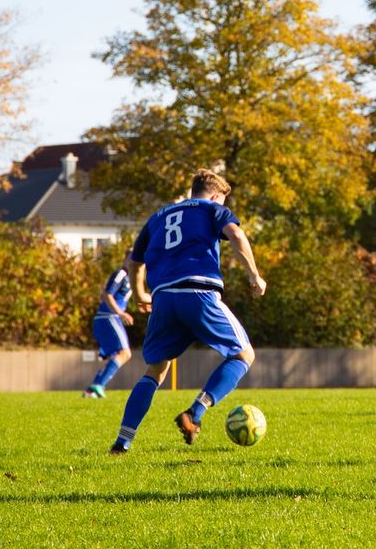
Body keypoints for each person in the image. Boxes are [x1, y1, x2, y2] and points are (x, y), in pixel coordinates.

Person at [110, 169, 267, 454]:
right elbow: (236, 234)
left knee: (155, 371)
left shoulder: (159, 216)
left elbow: (135, 263)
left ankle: (122, 442)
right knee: (244, 354)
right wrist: (254, 275)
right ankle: (195, 412)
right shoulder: (212, 210)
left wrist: (142, 292)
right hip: (199, 292)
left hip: (163, 299)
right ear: (217, 196)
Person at [83, 262, 134, 398]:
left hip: (109, 317)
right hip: (109, 317)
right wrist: (121, 313)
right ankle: (99, 385)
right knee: (125, 353)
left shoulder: (132, 277)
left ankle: (91, 391)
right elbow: (107, 294)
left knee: (117, 355)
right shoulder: (121, 274)